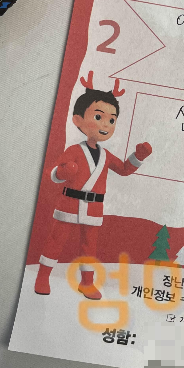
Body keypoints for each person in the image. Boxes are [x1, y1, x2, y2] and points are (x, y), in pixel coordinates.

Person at [34, 71, 152, 299]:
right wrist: (63, 172)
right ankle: (42, 277)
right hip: (69, 203)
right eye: (98, 117)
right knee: (56, 240)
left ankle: (87, 282)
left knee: (89, 247)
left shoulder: (106, 156)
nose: (105, 124)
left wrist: (138, 156)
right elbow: (52, 173)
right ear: (78, 120)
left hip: (94, 208)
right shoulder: (74, 150)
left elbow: (124, 169)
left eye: (111, 120)